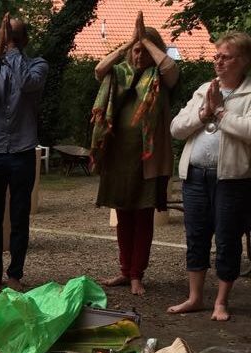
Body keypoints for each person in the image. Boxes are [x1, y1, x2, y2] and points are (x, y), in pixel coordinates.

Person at [91, 11, 179, 296]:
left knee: (143, 217)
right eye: (136, 51)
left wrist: (146, 41)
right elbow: (99, 69)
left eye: (144, 51)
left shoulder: (161, 77)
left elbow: (170, 66)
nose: (139, 56)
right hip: (118, 158)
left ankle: (137, 275)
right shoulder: (119, 74)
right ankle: (124, 271)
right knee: (123, 215)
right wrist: (128, 44)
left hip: (148, 160)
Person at [168, 32, 251, 321]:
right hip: (195, 175)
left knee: (228, 238)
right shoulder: (205, 88)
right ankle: (194, 298)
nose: (218, 61)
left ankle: (221, 302)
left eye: (225, 56)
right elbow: (176, 128)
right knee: (196, 236)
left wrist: (220, 112)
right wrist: (203, 114)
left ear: (243, 60)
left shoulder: (250, 93)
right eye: (216, 55)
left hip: (232, 178)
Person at [0, 13, 48, 292]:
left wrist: (13, 52)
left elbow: (27, 84)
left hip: (21, 149)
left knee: (19, 216)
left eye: (15, 38)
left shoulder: (37, 65)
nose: (11, 42)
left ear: (24, 40)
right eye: (8, 37)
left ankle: (15, 273)